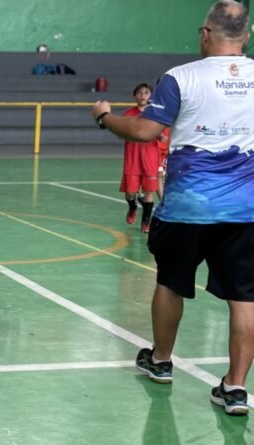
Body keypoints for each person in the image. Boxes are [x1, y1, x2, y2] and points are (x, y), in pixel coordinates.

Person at [92, 0, 254, 416]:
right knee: (245, 296)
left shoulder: (180, 77)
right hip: (245, 210)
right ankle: (235, 387)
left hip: (187, 208)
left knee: (170, 282)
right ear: (247, 36)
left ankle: (161, 361)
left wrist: (105, 117)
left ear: (206, 33)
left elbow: (145, 130)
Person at [119, 83, 159, 233]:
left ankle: (146, 221)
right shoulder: (128, 114)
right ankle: (133, 206)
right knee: (130, 192)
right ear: (135, 96)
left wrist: (160, 136)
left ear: (151, 96)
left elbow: (162, 133)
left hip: (150, 157)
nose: (143, 95)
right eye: (140, 93)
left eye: (146, 93)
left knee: (149, 191)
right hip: (133, 158)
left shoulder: (155, 114)